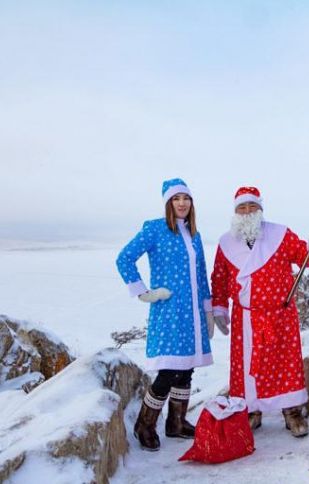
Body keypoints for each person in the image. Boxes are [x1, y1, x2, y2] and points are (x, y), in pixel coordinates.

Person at [116, 178, 225, 451]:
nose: (182, 203)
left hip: (192, 313)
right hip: (168, 311)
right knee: (168, 371)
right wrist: (143, 292)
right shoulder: (155, 229)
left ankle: (176, 423)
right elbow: (124, 258)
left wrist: (208, 308)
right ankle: (145, 424)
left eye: (186, 199)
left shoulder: (195, 234)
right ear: (168, 203)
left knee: (186, 369)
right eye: (176, 199)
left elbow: (200, 274)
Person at [210, 186, 309, 437]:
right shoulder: (225, 243)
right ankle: (251, 410)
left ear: (260, 209)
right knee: (247, 366)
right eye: (242, 207)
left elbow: (303, 257)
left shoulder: (279, 234)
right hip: (246, 317)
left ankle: (291, 411)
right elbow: (219, 277)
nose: (247, 211)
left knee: (284, 362)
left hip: (279, 313)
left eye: (252, 206)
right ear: (235, 211)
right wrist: (219, 308)